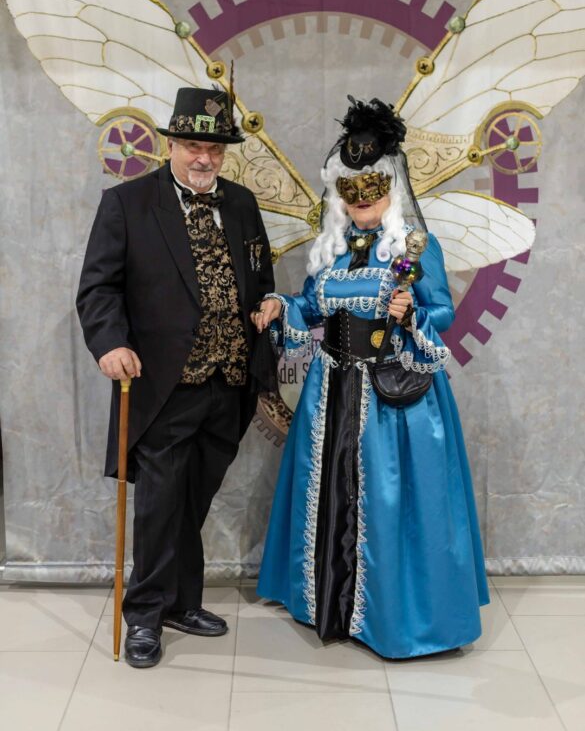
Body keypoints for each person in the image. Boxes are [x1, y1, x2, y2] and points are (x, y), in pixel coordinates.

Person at [253, 97, 489, 659]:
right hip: (331, 389)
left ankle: (396, 618)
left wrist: (411, 315)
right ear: (339, 196)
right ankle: (326, 602)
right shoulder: (331, 254)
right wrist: (280, 305)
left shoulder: (414, 249)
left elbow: (442, 314)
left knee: (390, 500)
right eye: (351, 192)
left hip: (392, 395)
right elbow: (311, 307)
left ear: (392, 189)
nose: (363, 201)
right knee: (328, 491)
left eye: (374, 189)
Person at [77, 86, 274, 668]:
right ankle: (143, 614)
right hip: (164, 384)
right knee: (160, 502)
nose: (204, 158)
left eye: (214, 149)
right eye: (193, 146)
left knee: (193, 500)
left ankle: (181, 602)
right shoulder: (128, 203)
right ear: (170, 145)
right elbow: (98, 287)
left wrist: (269, 302)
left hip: (229, 382)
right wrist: (111, 342)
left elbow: (258, 276)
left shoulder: (241, 203)